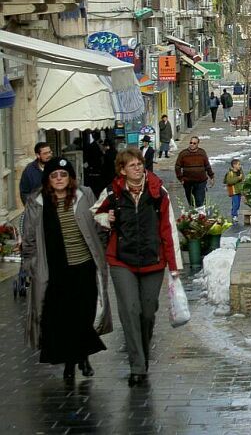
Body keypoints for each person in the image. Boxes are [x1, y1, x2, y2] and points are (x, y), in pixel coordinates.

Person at [93, 148, 182, 387]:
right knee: (130, 310)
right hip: (122, 260)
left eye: (140, 164)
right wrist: (106, 218)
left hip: (153, 260)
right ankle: (137, 366)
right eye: (132, 165)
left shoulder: (157, 192)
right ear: (122, 170)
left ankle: (142, 351)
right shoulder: (112, 192)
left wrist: (175, 266)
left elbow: (168, 229)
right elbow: (95, 213)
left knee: (148, 312)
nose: (137, 168)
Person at [21, 157, 112, 381]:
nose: (59, 179)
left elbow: (98, 224)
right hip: (56, 269)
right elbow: (29, 238)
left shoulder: (84, 195)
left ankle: (83, 357)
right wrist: (30, 265)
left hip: (84, 265)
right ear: (48, 179)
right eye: (54, 175)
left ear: (70, 177)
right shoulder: (37, 202)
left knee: (84, 313)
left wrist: (102, 251)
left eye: (63, 175)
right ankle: (71, 363)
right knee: (65, 317)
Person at [174, 137, 215, 207]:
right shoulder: (183, 153)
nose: (192, 144)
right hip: (188, 182)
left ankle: (201, 213)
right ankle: (193, 213)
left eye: (194, 143)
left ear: (197, 144)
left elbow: (207, 166)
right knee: (191, 201)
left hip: (201, 181)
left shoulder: (202, 152)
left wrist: (211, 176)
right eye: (191, 143)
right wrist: (180, 178)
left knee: (200, 201)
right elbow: (177, 166)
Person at [223, 159, 244, 224]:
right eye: (238, 164)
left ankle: (234, 214)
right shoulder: (230, 173)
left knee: (237, 204)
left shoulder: (240, 171)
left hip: (239, 190)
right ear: (234, 165)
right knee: (235, 204)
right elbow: (229, 181)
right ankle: (234, 215)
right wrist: (238, 178)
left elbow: (243, 178)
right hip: (233, 191)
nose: (240, 166)